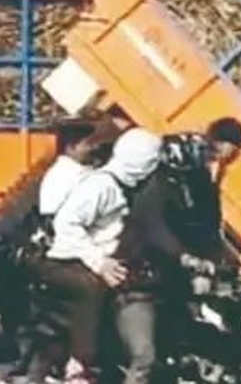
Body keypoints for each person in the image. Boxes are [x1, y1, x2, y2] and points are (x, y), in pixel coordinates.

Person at [108, 117, 241, 384]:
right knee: (145, 357)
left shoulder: (198, 185)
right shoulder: (154, 189)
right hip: (140, 282)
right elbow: (156, 229)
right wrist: (187, 259)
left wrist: (223, 262)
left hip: (172, 281)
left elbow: (206, 227)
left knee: (190, 348)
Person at [40, 127, 162, 384]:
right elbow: (67, 224)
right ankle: (81, 363)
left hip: (98, 259)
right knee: (93, 291)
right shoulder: (101, 186)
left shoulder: (127, 187)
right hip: (70, 259)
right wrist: (99, 261)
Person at [1, 119, 101, 383]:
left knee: (54, 327)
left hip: (49, 256)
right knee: (87, 295)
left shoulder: (67, 173)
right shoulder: (69, 177)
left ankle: (37, 372)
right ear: (71, 147)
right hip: (59, 256)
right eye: (87, 144)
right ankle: (80, 363)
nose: (92, 149)